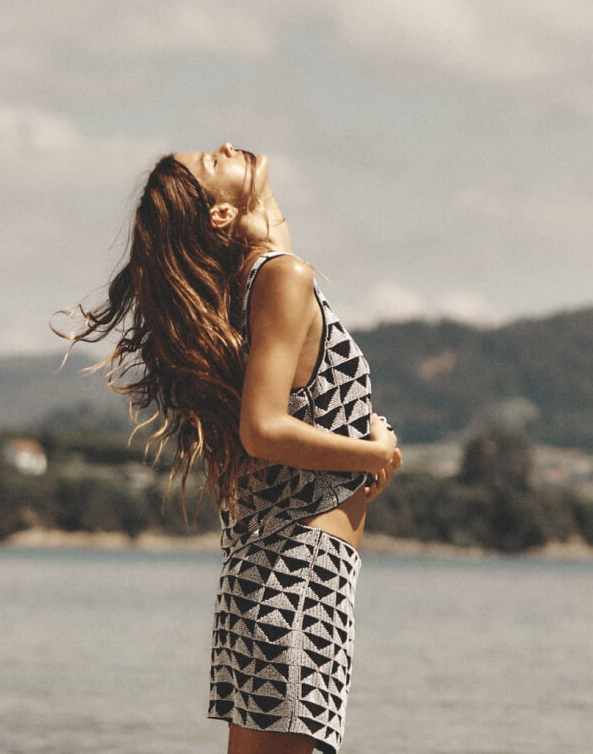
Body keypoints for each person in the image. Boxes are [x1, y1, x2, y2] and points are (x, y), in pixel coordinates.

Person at [57, 143, 401, 754]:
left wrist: (362, 445)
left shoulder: (257, 280)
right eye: (212, 163)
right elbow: (262, 428)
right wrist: (375, 455)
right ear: (219, 214)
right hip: (300, 574)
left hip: (268, 573)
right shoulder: (282, 279)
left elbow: (272, 237)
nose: (223, 147)